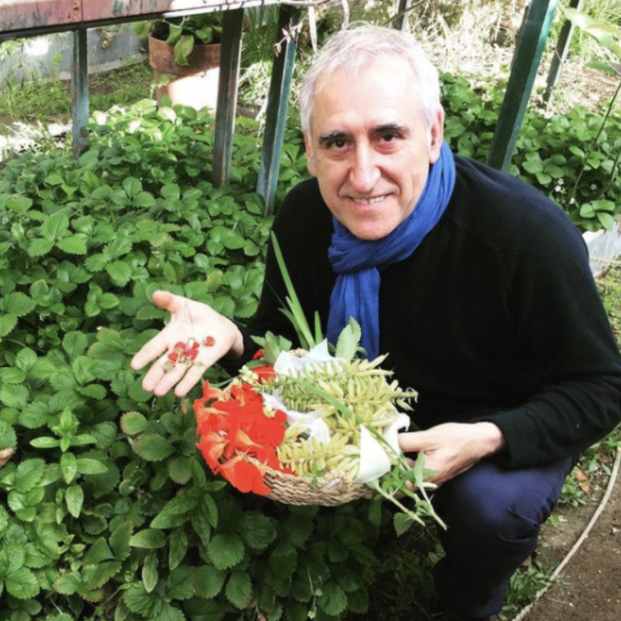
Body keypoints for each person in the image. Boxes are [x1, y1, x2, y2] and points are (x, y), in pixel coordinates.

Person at [131, 24, 621, 621]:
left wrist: (489, 437)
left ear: (434, 134)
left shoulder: (522, 236)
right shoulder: (306, 219)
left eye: (389, 136)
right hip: (382, 413)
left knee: (490, 507)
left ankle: (469, 601)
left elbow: (601, 386)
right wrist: (234, 336)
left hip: (497, 416)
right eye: (338, 142)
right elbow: (283, 343)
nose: (363, 176)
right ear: (309, 150)